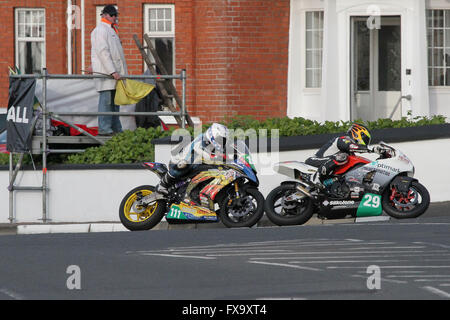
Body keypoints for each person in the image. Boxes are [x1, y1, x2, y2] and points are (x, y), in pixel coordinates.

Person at [156, 123, 231, 195]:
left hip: (195, 167)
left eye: (223, 140)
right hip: (178, 162)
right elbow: (202, 153)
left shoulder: (214, 145)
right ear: (213, 134)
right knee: (183, 164)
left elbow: (221, 156)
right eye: (220, 139)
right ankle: (162, 185)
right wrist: (217, 158)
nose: (222, 142)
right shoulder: (200, 139)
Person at [90, 5, 127, 135]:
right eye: (112, 15)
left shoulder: (111, 30)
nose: (115, 18)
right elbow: (103, 52)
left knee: (114, 103)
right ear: (105, 15)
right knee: (106, 102)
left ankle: (116, 129)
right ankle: (105, 129)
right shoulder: (100, 30)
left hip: (113, 74)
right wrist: (112, 71)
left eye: (115, 15)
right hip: (107, 74)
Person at [306, 123, 374, 188]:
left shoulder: (351, 154)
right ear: (358, 133)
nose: (366, 142)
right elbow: (351, 146)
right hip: (314, 161)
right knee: (342, 156)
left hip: (328, 171)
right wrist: (371, 149)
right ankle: (315, 178)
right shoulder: (342, 139)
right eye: (366, 139)